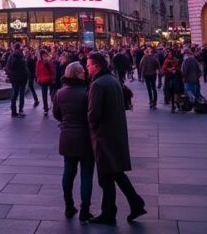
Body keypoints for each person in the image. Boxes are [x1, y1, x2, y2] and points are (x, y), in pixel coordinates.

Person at [86, 52, 146, 225]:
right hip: (115, 131)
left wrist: (89, 123)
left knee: (109, 174)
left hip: (104, 135)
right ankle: (126, 206)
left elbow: (94, 113)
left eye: (89, 65)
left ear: (97, 65)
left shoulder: (98, 84)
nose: (87, 67)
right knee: (113, 173)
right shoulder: (112, 80)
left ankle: (116, 210)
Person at [53, 62, 94, 221]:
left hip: (67, 137)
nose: (85, 72)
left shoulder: (60, 93)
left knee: (68, 172)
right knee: (86, 175)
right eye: (83, 71)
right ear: (77, 74)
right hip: (86, 137)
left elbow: (57, 114)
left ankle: (69, 206)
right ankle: (85, 210)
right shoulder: (88, 92)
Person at [5, 43, 29, 117]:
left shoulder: (11, 57)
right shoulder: (19, 56)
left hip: (16, 79)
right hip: (21, 78)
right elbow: (24, 67)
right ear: (18, 48)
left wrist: (11, 76)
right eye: (20, 48)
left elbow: (7, 68)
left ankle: (14, 111)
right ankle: (20, 110)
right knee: (20, 94)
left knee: (15, 94)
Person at [36, 49, 57, 115]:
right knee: (46, 94)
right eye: (43, 54)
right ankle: (46, 108)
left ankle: (48, 108)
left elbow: (52, 70)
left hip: (47, 79)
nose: (44, 55)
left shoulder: (44, 61)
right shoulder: (41, 62)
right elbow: (37, 72)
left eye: (45, 54)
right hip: (45, 79)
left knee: (49, 93)